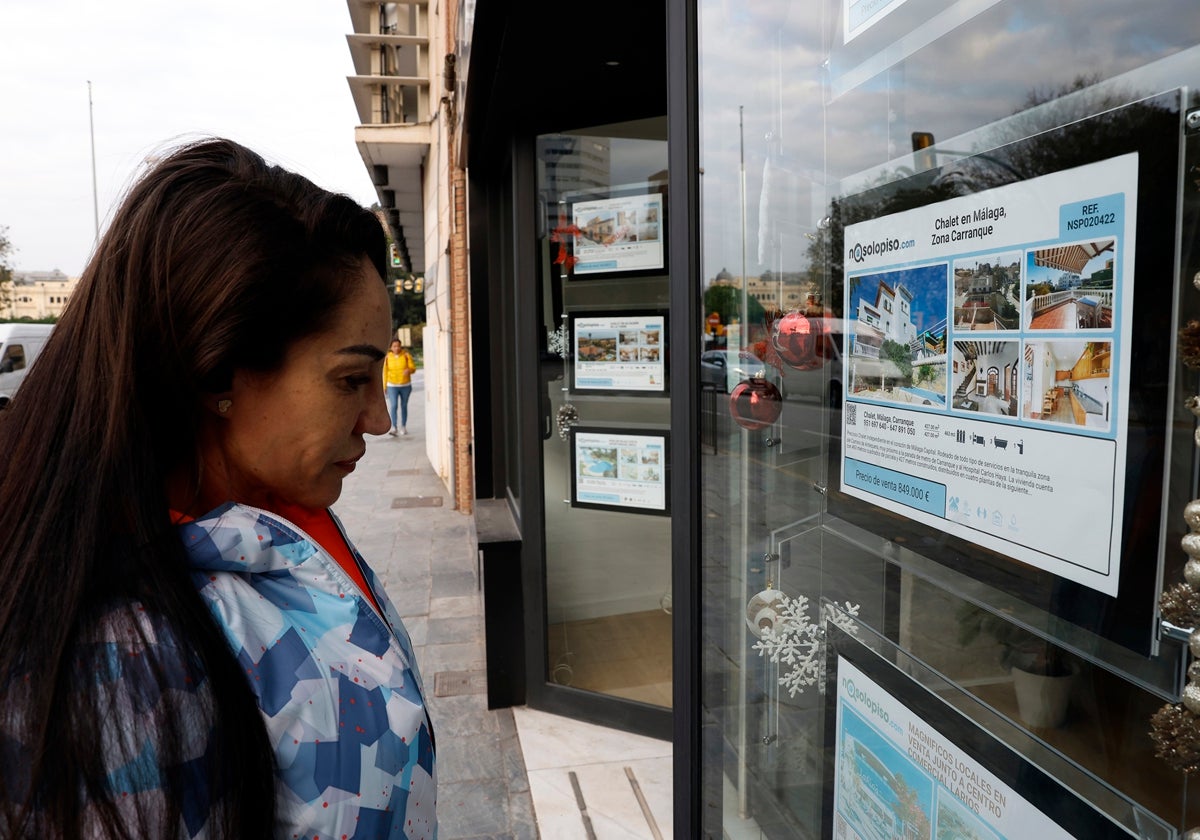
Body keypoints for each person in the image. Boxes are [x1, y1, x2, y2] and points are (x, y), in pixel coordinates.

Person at [0, 138, 436, 838]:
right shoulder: (115, 662)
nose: (380, 420)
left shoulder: (276, 521)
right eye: (352, 379)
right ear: (216, 374)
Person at [383, 338, 417, 435]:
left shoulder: (406, 355)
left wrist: (409, 370)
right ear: (390, 347)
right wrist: (384, 386)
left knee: (404, 406)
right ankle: (394, 427)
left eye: (398, 346)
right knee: (393, 406)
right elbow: (385, 372)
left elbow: (413, 368)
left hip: (405, 385)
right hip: (392, 385)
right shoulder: (388, 358)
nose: (397, 348)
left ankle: (403, 426)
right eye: (394, 346)